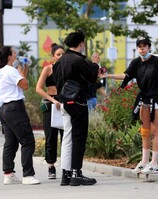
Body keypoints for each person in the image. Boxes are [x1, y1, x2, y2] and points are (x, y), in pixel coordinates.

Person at [103, 36, 158, 174]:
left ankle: (155, 163)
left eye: (144, 46)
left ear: (149, 47)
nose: (142, 48)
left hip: (157, 99)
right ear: (137, 48)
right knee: (145, 131)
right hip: (144, 99)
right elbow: (125, 76)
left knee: (155, 131)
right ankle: (144, 161)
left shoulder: (157, 62)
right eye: (139, 46)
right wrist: (107, 76)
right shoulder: (136, 63)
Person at [53, 30, 100, 186]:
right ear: (80, 43)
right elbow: (92, 77)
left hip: (64, 103)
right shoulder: (78, 60)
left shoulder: (60, 61)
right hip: (78, 102)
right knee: (79, 138)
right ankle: (76, 173)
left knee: (67, 138)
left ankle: (65, 174)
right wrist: (95, 63)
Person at [0, 47, 40, 185]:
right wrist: (21, 71)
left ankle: (8, 175)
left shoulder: (3, 71)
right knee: (27, 141)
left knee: (10, 142)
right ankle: (28, 175)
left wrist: (24, 69)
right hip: (15, 108)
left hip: (5, 109)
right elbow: (26, 86)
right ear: (9, 57)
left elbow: (21, 84)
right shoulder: (11, 71)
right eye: (14, 53)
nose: (16, 55)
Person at [36, 43, 65, 179]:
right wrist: (53, 100)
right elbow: (38, 88)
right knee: (51, 136)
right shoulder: (48, 69)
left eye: (63, 54)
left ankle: (66, 166)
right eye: (58, 54)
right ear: (53, 56)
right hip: (51, 104)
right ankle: (51, 166)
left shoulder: (68, 69)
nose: (61, 57)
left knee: (66, 136)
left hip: (65, 103)